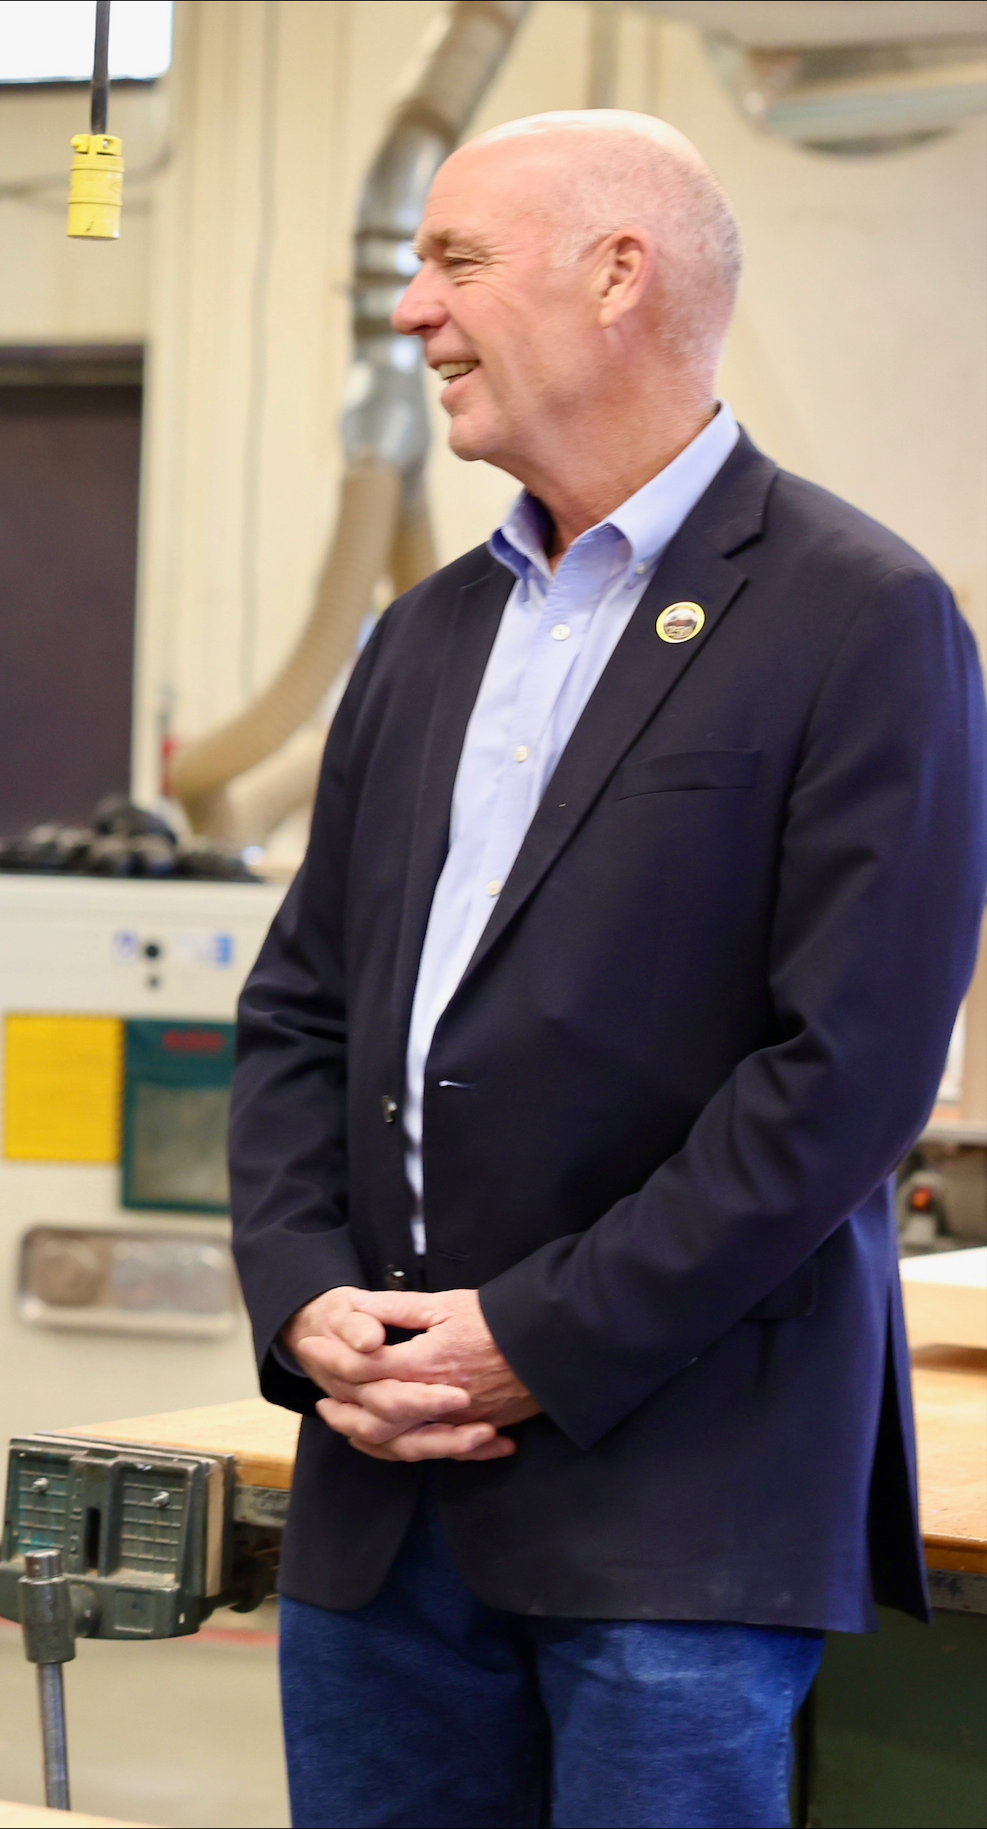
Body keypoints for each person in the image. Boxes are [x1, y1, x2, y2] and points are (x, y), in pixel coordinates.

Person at [228, 111, 986, 1829]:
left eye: (457, 262)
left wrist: (536, 1337)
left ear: (618, 275)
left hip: (680, 1504)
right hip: (382, 1487)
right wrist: (302, 1295)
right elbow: (299, 1013)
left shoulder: (860, 616)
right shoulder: (425, 638)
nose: (416, 311)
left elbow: (847, 1078)